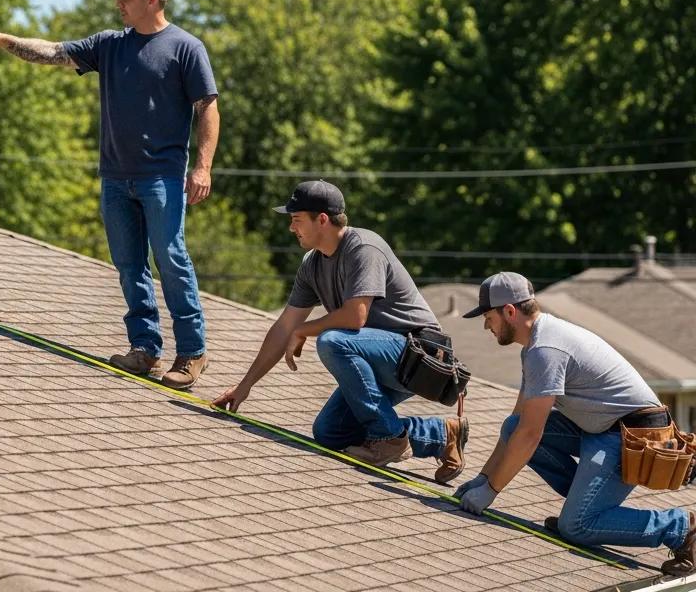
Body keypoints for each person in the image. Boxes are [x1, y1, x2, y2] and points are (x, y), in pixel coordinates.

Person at [0, 0, 219, 390]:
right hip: (116, 177)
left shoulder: (186, 48)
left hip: (162, 179)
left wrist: (203, 166)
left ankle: (192, 353)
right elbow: (54, 51)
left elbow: (207, 106)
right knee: (129, 265)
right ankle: (145, 349)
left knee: (171, 260)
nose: (119, 2)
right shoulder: (109, 45)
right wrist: (6, 41)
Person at [212, 180, 469, 482]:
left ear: (322, 219)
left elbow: (355, 317)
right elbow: (284, 326)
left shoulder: (364, 248)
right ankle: (442, 436)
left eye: (296, 219)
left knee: (332, 340)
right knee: (330, 432)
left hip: (417, 357)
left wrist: (304, 331)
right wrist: (245, 387)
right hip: (380, 359)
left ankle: (390, 439)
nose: (291, 228)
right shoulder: (312, 265)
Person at [456, 272, 694, 578]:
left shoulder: (546, 350)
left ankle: (681, 529)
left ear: (510, 311)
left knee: (576, 526)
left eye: (489, 317)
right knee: (510, 426)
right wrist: (484, 476)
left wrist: (491, 490)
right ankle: (586, 506)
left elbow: (531, 434)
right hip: (602, 428)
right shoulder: (536, 345)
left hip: (633, 435)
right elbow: (520, 423)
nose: (487, 326)